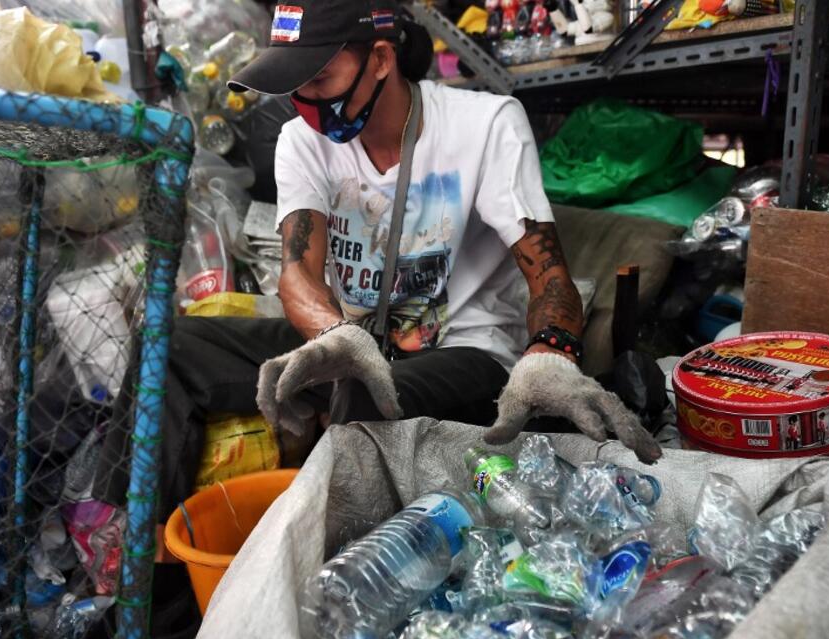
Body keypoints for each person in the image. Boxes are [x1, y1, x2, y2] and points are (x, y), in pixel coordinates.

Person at [94, 0, 659, 521]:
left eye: (320, 79)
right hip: (355, 344)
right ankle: (139, 573)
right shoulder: (302, 141)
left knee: (360, 395)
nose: (308, 106)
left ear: (381, 59)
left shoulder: (485, 126)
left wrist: (549, 356)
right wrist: (337, 334)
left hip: (466, 352)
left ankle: (335, 570)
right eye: (295, 88)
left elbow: (550, 276)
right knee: (166, 348)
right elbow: (298, 272)